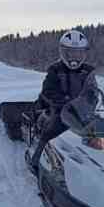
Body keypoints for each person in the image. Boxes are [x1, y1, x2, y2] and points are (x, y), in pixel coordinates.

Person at [30, 29, 96, 171]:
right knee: (52, 131)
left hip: (82, 112)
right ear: (63, 53)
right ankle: (36, 161)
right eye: (70, 53)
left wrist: (96, 99)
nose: (74, 57)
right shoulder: (55, 69)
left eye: (78, 53)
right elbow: (48, 90)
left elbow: (93, 91)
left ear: (84, 53)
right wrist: (62, 101)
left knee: (101, 134)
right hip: (61, 110)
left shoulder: (89, 70)